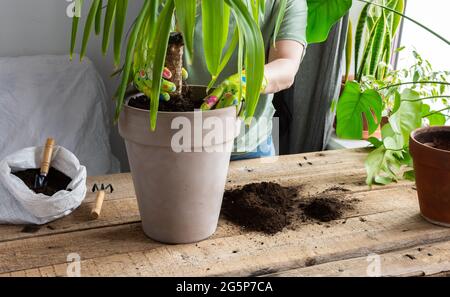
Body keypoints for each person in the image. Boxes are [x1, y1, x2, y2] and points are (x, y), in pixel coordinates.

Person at [137, 0, 307, 160]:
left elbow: (287, 64)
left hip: (251, 144)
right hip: (179, 138)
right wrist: (145, 70)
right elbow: (148, 51)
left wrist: (249, 81)